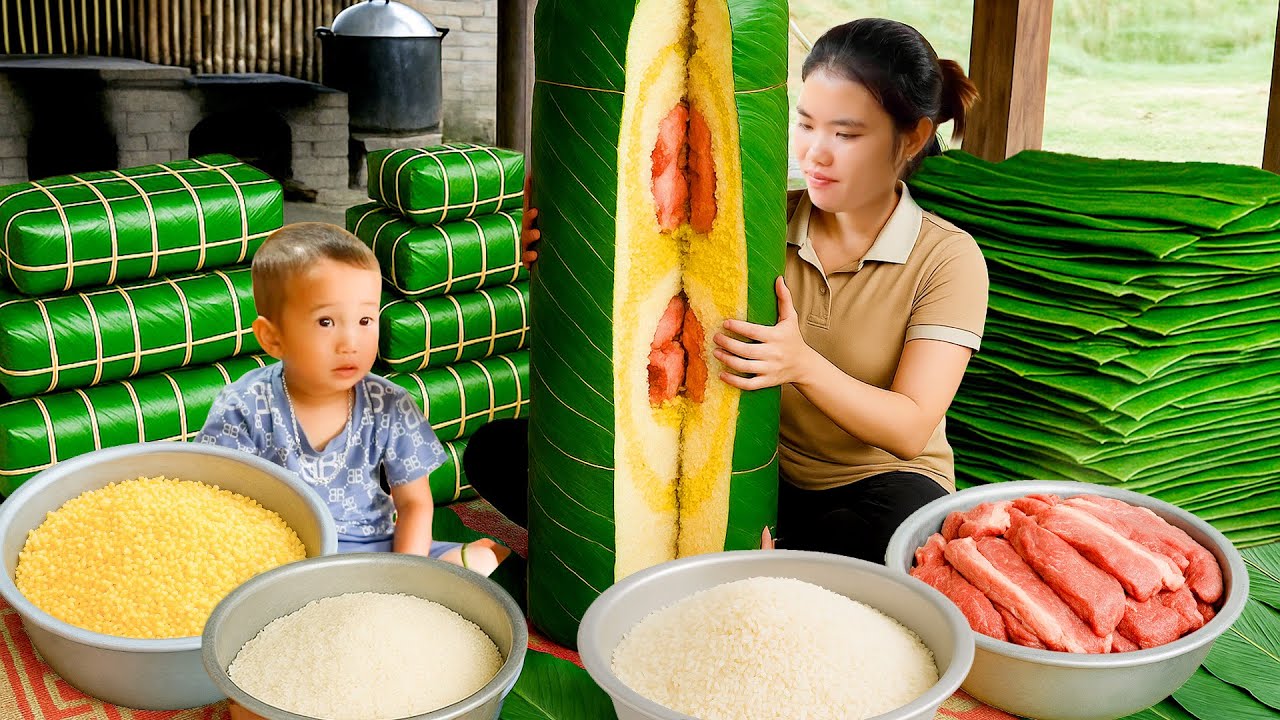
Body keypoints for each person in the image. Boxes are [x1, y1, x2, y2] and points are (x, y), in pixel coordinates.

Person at [467, 17, 987, 564]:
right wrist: (561, 259)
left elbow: (909, 428)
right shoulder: (758, 221)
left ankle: (751, 565)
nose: (816, 153)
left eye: (847, 134)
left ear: (913, 137)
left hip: (878, 488)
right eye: (807, 125)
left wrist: (801, 365)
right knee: (500, 454)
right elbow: (650, 285)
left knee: (896, 533)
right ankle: (764, 563)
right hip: (756, 475)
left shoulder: (947, 258)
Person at [197, 222, 506, 575]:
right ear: (272, 338)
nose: (351, 342)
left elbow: (415, 505)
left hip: (376, 552)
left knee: (482, 561)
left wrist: (404, 576)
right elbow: (217, 511)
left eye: (364, 319)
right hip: (282, 562)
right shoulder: (244, 406)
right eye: (326, 322)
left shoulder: (389, 404)